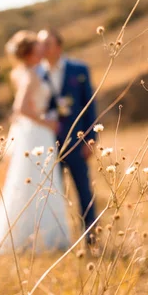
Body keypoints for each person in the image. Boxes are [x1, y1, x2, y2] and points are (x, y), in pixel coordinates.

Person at [0, 30, 71, 255]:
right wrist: (47, 123)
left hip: (33, 133)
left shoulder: (22, 72)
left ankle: (36, 236)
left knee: (29, 181)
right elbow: (21, 108)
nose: (42, 51)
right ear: (29, 53)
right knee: (36, 181)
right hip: (37, 134)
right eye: (38, 49)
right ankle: (39, 239)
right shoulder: (30, 75)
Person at [37, 29, 97, 244]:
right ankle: (57, 240)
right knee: (52, 194)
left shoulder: (78, 69)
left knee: (83, 190)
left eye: (47, 44)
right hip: (46, 145)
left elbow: (90, 105)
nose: (43, 48)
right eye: (40, 44)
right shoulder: (36, 73)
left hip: (76, 142)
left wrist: (92, 139)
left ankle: (91, 238)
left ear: (58, 47)